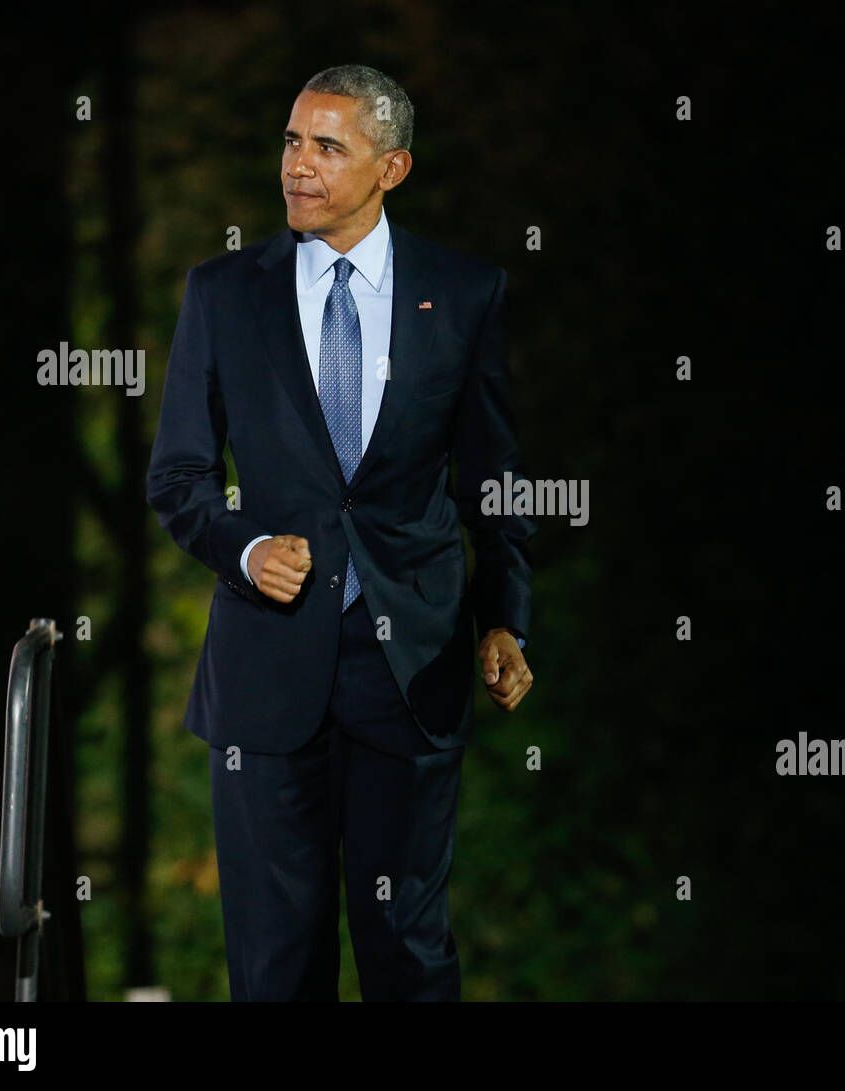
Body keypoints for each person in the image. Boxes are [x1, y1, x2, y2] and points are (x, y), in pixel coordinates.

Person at [146, 63, 535, 1001]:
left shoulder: (467, 292)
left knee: (407, 947)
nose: (298, 167)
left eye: (328, 147)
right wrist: (242, 549)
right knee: (278, 964)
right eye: (291, 142)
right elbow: (179, 476)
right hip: (267, 668)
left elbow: (494, 478)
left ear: (390, 169)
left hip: (414, 667)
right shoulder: (224, 292)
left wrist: (506, 618)